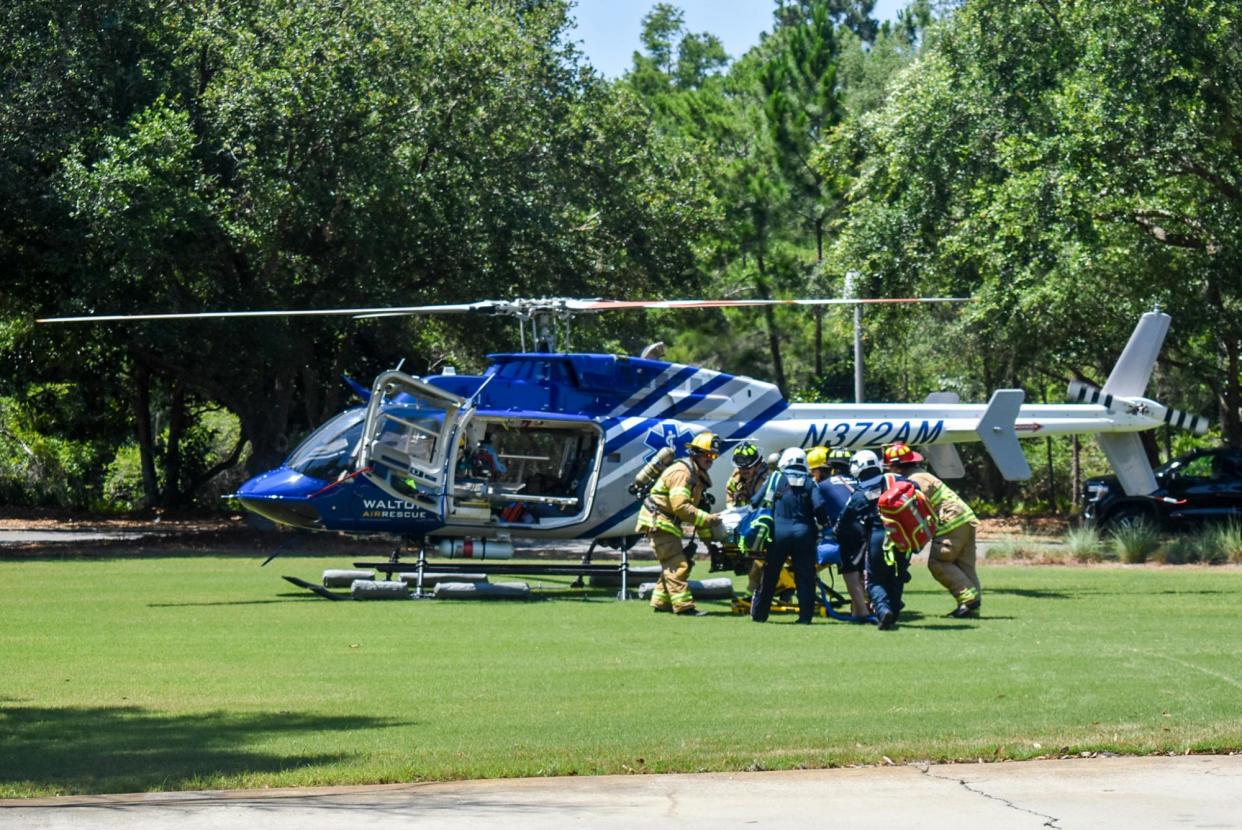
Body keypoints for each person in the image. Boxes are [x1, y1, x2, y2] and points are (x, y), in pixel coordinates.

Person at [883, 442, 981, 618]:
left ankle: (969, 599)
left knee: (939, 562)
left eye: (889, 468)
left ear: (897, 467)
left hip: (950, 522)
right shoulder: (921, 474)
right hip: (965, 519)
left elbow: (910, 510)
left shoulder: (913, 481)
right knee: (963, 565)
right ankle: (971, 609)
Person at [636, 431, 723, 616]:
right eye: (708, 455)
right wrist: (709, 519)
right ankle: (684, 607)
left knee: (672, 563)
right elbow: (681, 507)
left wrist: (711, 544)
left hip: (666, 521)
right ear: (696, 453)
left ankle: (661, 601)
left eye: (714, 456)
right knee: (678, 564)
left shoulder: (696, 475)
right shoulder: (682, 473)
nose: (711, 460)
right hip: (659, 520)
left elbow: (698, 512)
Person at [835, 449, 914, 630]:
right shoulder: (898, 480)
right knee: (897, 577)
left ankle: (883, 609)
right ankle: (892, 613)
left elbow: (845, 519)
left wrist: (838, 535)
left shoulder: (863, 489)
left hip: (879, 535)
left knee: (874, 579)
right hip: (904, 537)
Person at [750, 448, 831, 625]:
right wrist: (826, 527)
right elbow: (819, 506)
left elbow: (755, 501)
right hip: (804, 534)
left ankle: (760, 615)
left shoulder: (775, 478)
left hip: (778, 534)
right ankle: (805, 618)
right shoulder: (810, 482)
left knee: (770, 575)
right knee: (805, 577)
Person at [807, 447, 870, 621]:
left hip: (847, 532)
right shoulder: (859, 483)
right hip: (869, 530)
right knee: (864, 570)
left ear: (831, 467)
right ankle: (863, 608)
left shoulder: (823, 486)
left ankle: (862, 612)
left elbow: (817, 509)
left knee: (850, 572)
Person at [725, 441, 770, 595]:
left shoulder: (766, 480)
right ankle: (756, 593)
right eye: (740, 468)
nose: (743, 471)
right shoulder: (734, 480)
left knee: (761, 562)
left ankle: (755, 593)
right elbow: (730, 503)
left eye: (747, 468)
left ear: (757, 465)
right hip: (745, 525)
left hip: (765, 525)